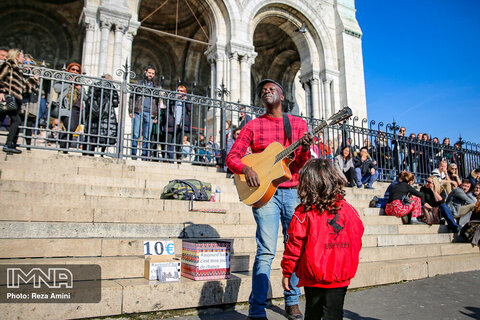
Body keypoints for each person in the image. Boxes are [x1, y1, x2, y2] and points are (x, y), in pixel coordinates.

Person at [226, 79, 313, 320]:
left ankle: (292, 301)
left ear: (282, 96)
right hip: (265, 194)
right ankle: (256, 309)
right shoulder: (253, 125)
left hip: (293, 190)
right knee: (265, 250)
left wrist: (305, 148)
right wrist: (245, 169)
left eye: (272, 88)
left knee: (293, 247)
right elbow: (232, 156)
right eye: (263, 89)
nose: (266, 90)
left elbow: (301, 164)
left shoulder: (297, 124)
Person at [281, 158, 364, 320]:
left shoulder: (304, 212)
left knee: (313, 313)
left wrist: (287, 271)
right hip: (340, 273)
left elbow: (294, 246)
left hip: (313, 274)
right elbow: (358, 234)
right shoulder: (348, 209)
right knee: (334, 314)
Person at [0, 49, 39, 153]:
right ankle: (8, 145)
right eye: (22, 56)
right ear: (16, 56)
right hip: (7, 98)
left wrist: (33, 80)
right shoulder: (8, 65)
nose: (23, 59)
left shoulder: (18, 69)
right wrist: (1, 91)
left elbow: (23, 88)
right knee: (16, 120)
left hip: (14, 100)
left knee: (15, 120)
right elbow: (0, 78)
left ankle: (9, 145)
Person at [129, 65, 161, 159]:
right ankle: (133, 155)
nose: (151, 75)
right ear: (145, 72)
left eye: (152, 73)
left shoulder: (155, 87)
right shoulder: (138, 83)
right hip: (138, 111)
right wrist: (131, 110)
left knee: (147, 135)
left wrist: (156, 116)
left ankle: (144, 155)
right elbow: (132, 97)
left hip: (150, 113)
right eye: (149, 72)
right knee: (135, 133)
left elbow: (158, 102)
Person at [53, 62, 87, 151]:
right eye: (73, 69)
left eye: (77, 70)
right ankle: (63, 146)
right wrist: (69, 83)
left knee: (71, 130)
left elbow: (85, 98)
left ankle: (64, 148)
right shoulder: (63, 78)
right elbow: (57, 88)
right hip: (66, 107)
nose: (75, 72)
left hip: (77, 109)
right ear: (69, 70)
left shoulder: (80, 83)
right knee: (69, 127)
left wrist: (79, 88)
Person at [84, 74, 119, 154]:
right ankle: (102, 153)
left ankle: (90, 152)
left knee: (92, 133)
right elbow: (115, 103)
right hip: (108, 114)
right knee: (106, 133)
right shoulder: (111, 88)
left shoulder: (94, 86)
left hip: (94, 112)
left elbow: (89, 99)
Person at [166, 85, 191, 161]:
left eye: (181, 91)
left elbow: (190, 109)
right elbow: (168, 108)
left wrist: (186, 100)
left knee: (179, 142)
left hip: (181, 124)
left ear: (184, 92)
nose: (179, 92)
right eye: (178, 90)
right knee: (169, 141)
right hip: (172, 123)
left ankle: (179, 157)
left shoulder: (186, 100)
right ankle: (167, 157)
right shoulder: (172, 99)